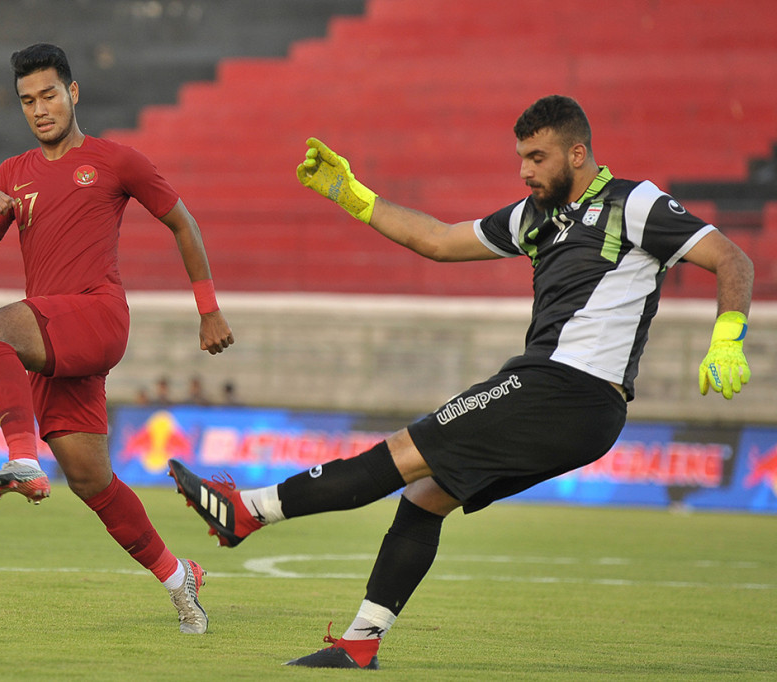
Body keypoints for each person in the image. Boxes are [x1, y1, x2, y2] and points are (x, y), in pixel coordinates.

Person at [168, 95, 753, 666]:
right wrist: (354, 196)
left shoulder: (634, 202)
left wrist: (727, 338)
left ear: (578, 154)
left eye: (538, 158)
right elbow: (439, 240)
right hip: (578, 410)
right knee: (425, 498)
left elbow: (733, 258)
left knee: (404, 453)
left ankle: (248, 511)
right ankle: (360, 643)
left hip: (567, 388)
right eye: (521, 157)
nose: (525, 171)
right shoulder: (534, 217)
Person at [0, 43, 234, 635]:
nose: (40, 109)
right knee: (91, 481)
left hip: (96, 315)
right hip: (53, 339)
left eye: (49, 95)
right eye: (27, 100)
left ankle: (22, 459)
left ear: (73, 92)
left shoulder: (116, 161)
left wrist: (208, 310)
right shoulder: (12, 174)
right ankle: (179, 578)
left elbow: (182, 221)